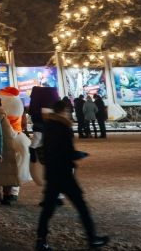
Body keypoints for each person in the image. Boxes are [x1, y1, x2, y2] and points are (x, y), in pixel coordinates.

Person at [36, 100, 109, 250]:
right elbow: (65, 151)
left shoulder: (49, 126)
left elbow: (48, 149)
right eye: (68, 111)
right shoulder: (62, 127)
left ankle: (41, 239)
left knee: (48, 208)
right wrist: (78, 154)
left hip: (52, 172)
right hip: (63, 173)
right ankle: (92, 237)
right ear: (63, 111)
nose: (69, 114)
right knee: (81, 205)